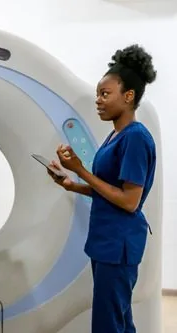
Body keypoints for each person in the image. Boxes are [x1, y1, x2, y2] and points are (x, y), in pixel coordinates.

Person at [47, 44, 157, 333]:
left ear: (128, 96)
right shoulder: (115, 135)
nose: (98, 100)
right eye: (98, 93)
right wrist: (71, 184)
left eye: (105, 94)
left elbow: (129, 201)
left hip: (118, 245)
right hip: (107, 241)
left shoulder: (135, 138)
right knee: (119, 318)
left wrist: (80, 170)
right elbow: (110, 191)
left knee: (109, 323)